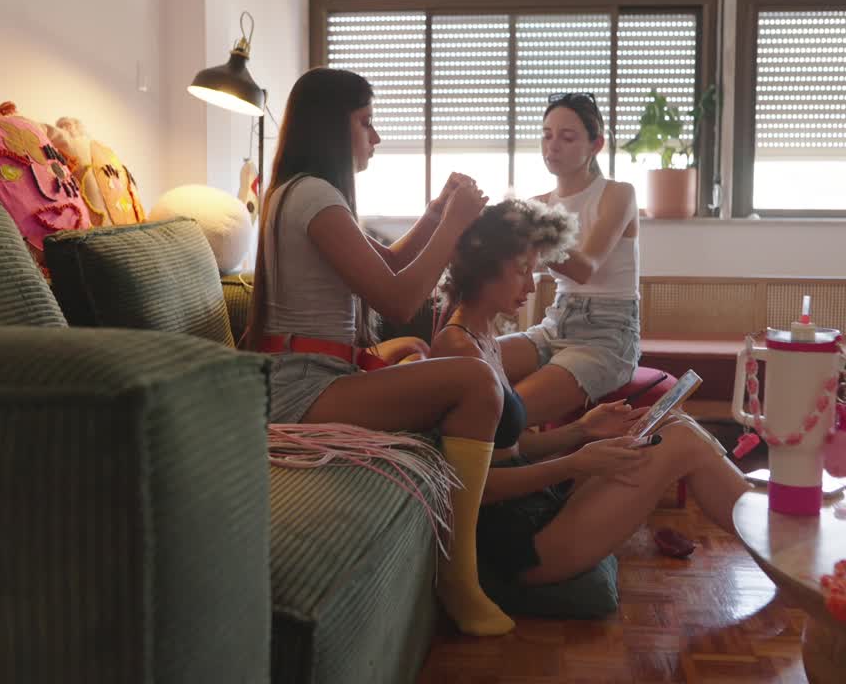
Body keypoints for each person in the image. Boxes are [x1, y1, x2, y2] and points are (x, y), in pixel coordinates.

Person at [241, 67, 513, 636]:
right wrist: (456, 224)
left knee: (426, 357)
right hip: (303, 389)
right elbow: (398, 296)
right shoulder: (313, 195)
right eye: (366, 122)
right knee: (475, 382)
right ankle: (459, 579)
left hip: (310, 375)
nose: (376, 135)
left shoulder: (302, 192)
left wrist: (437, 215)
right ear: (332, 126)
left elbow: (387, 265)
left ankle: (462, 560)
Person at [431, 199, 748, 588]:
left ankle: (782, 544)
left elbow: (509, 452)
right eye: (522, 271)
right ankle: (787, 551)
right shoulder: (459, 351)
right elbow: (471, 489)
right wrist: (575, 463)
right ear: (485, 267)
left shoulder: (484, 338)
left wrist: (583, 429)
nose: (531, 286)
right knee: (681, 441)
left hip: (535, 511)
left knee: (674, 423)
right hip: (516, 546)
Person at [499, 92, 642, 428]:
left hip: (607, 336)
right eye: (546, 135)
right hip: (554, 324)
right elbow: (514, 268)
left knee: (507, 415)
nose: (553, 146)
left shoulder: (618, 194)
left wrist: (529, 228)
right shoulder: (538, 204)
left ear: (596, 145)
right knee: (464, 366)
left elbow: (584, 268)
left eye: (567, 137)